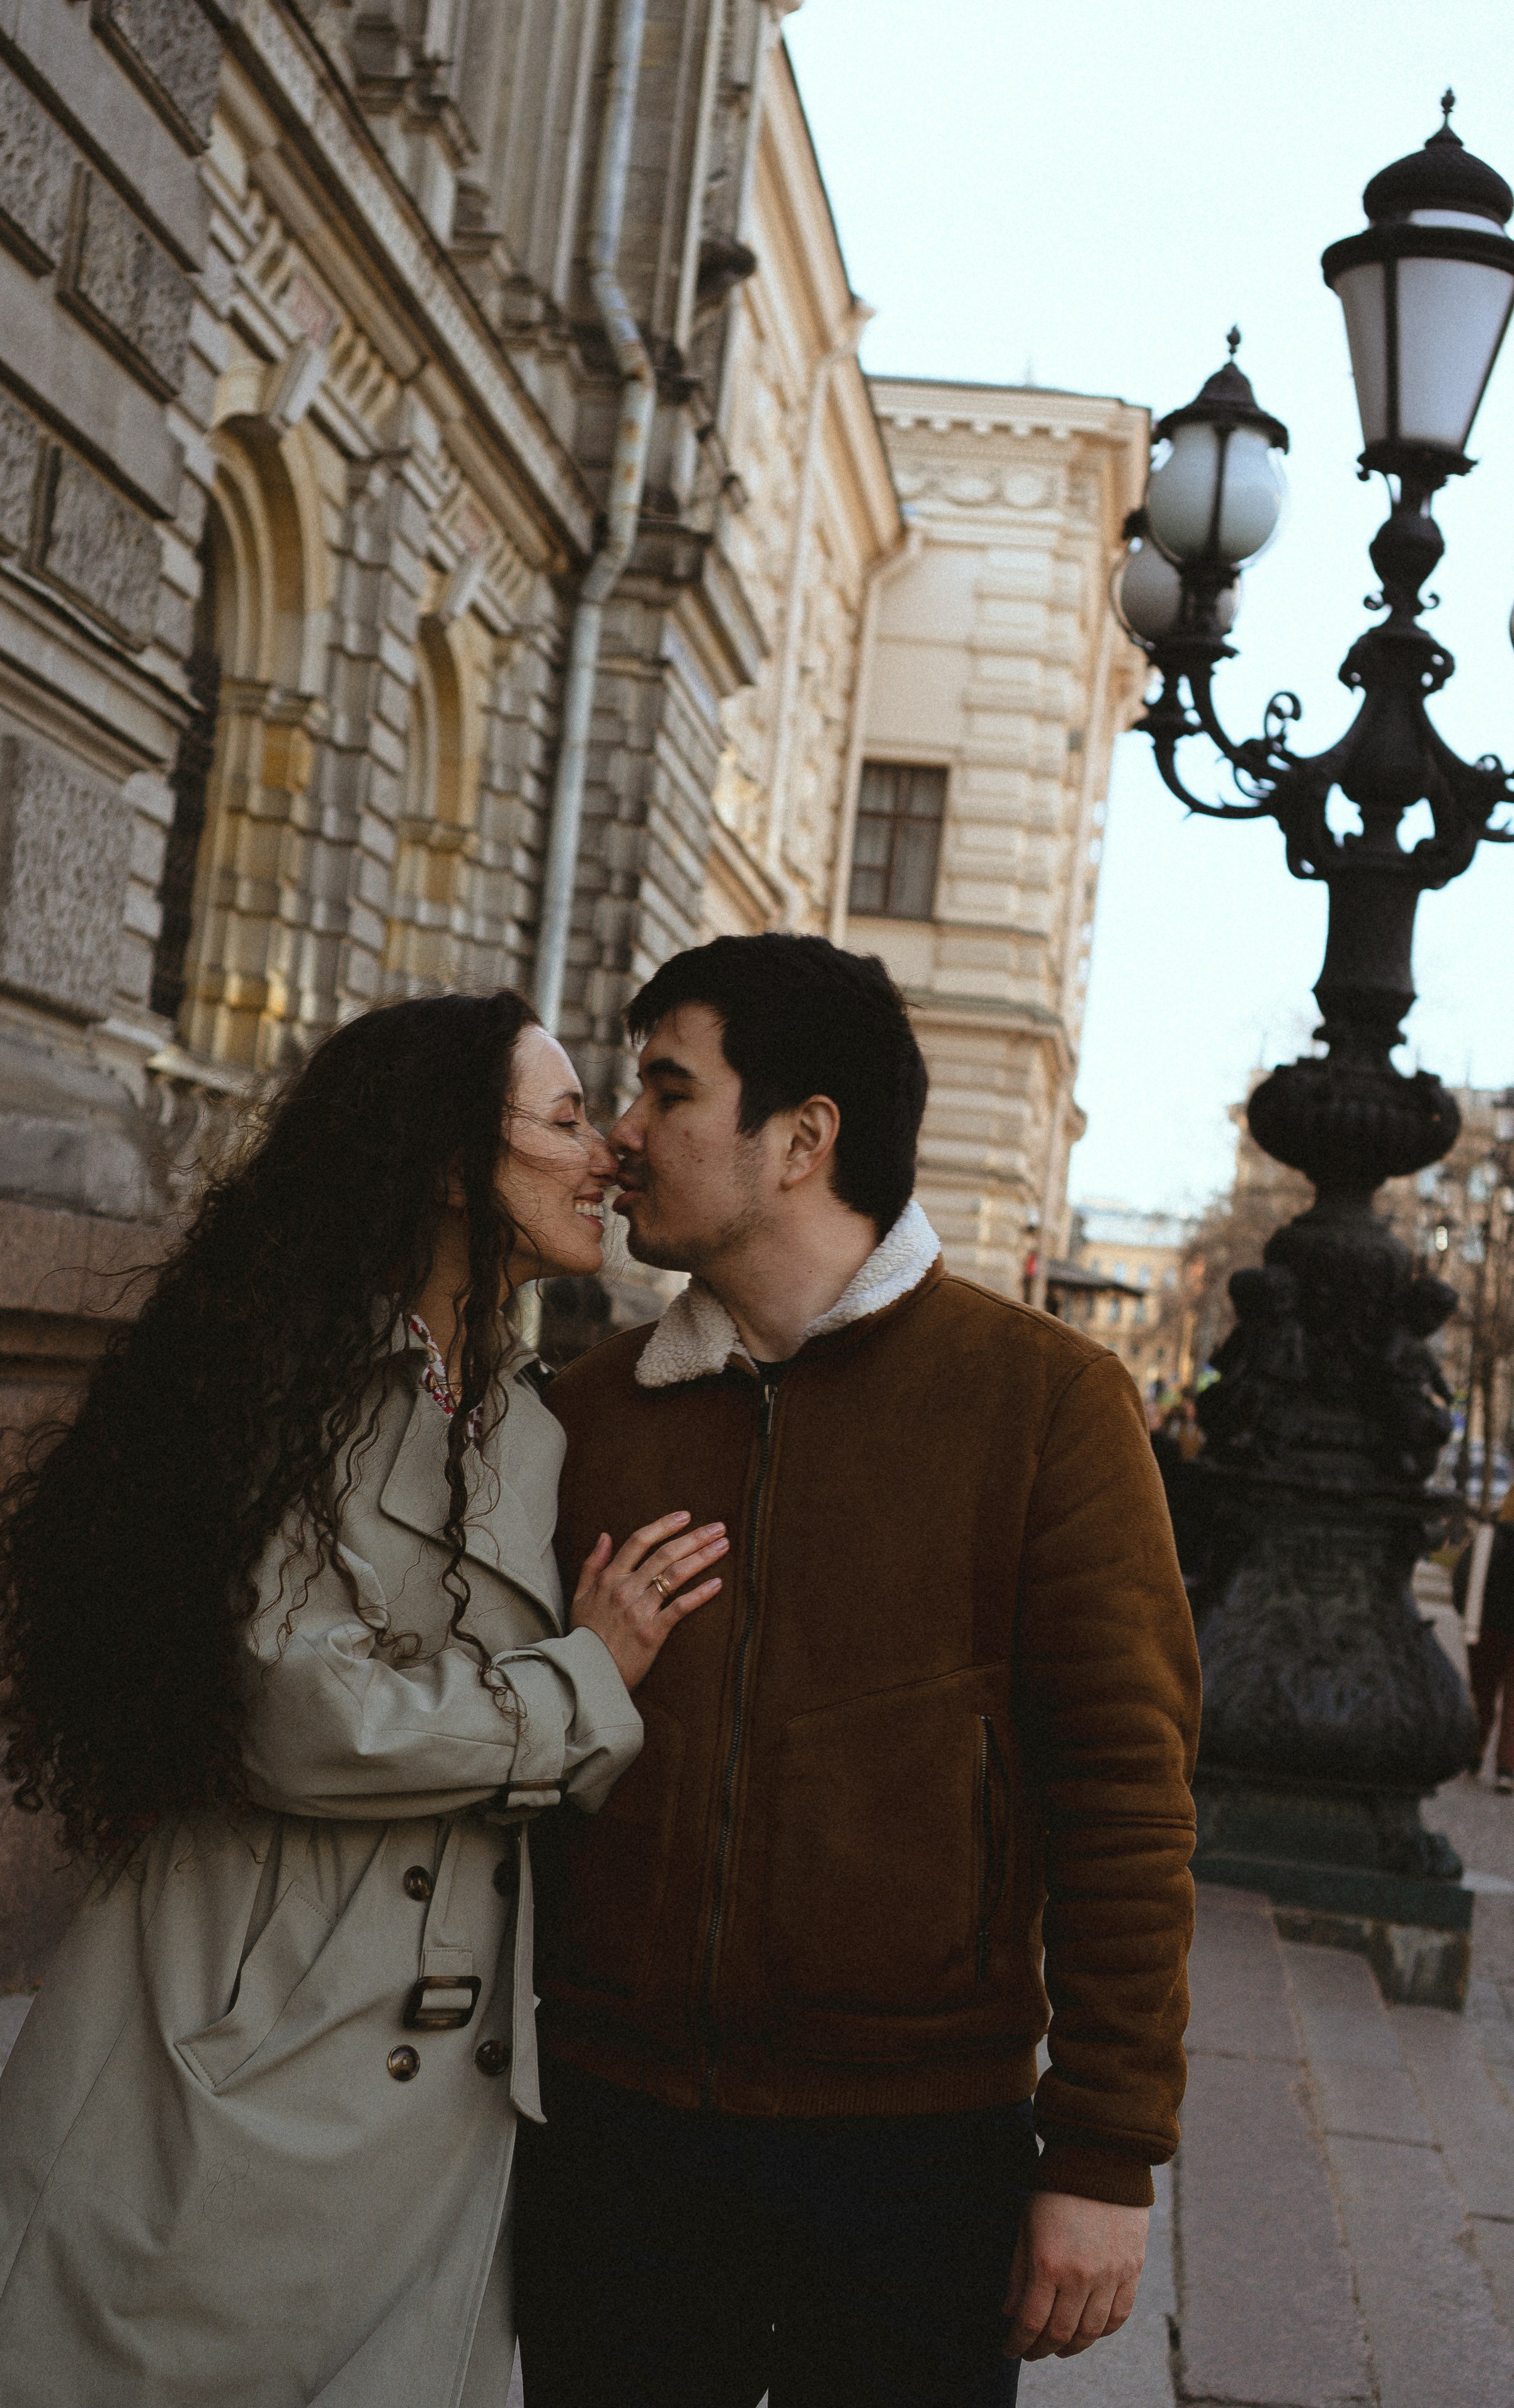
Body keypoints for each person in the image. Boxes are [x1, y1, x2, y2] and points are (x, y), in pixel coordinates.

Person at [0, 992, 726, 2408]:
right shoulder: (286, 1382)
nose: (606, 1156)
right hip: (253, 2020)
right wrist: (580, 1692)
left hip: (448, 2061)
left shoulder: (526, 1422)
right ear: (454, 1167)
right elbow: (303, 1715)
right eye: (566, 1119)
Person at [515, 934, 1202, 2408]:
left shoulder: (1044, 1404)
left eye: (667, 1086)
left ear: (801, 1136)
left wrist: (1101, 2154)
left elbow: (1124, 1800)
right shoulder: (583, 1415)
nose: (624, 1130)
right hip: (612, 2130)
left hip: (912, 2153)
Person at [1453, 1487, 1514, 1794]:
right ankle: (1507, 1769)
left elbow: (1464, 1576)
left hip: (1488, 1628)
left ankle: (1475, 1755)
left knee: (1482, 1693)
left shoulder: (1490, 1535)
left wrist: (1467, 1615)